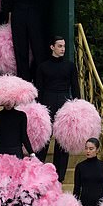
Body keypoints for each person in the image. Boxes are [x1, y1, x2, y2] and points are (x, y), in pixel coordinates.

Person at [35, 36, 80, 182]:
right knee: (44, 137)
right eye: (59, 46)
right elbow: (39, 89)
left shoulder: (70, 66)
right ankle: (38, 173)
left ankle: (59, 177)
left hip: (64, 102)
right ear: (52, 47)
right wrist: (38, 108)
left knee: (63, 140)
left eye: (64, 46)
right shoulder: (43, 67)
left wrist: (77, 106)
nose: (63, 49)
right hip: (47, 101)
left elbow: (75, 87)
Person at [2, 0, 46, 81]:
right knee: (20, 47)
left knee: (38, 47)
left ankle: (41, 80)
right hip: (18, 10)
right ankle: (23, 80)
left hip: (34, 9)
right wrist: (9, 16)